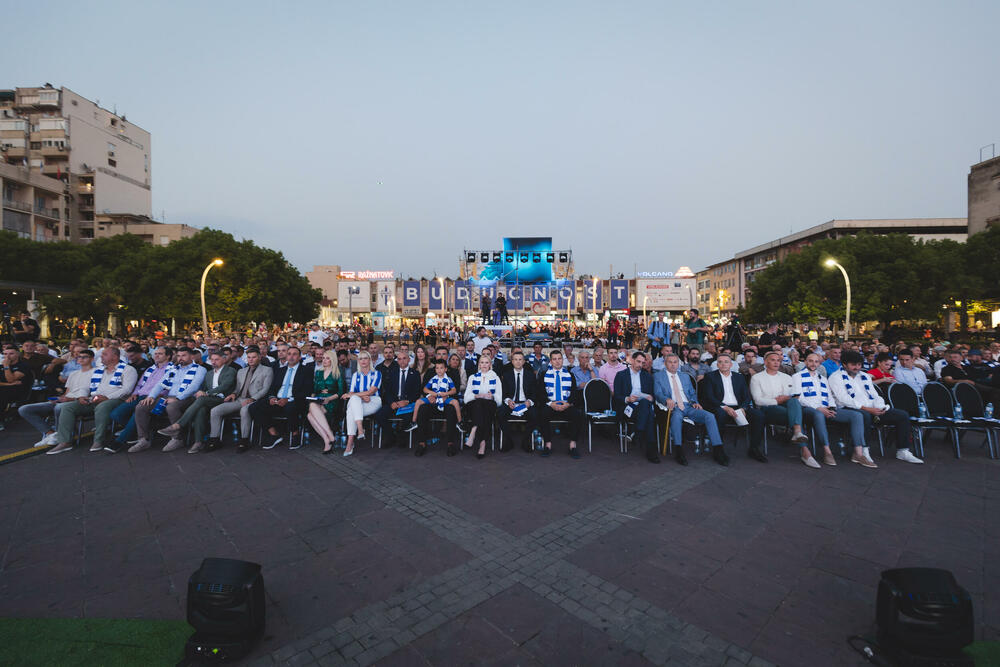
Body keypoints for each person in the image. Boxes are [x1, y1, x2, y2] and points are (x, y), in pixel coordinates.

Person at [829, 350, 923, 464]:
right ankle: (864, 450)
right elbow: (843, 399)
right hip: (850, 409)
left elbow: (875, 395)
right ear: (844, 365)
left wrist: (880, 407)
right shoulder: (836, 377)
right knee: (865, 415)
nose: (857, 368)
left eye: (859, 364)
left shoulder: (864, 376)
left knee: (902, 415)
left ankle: (903, 451)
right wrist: (868, 409)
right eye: (853, 365)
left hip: (873, 409)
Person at [47, 347, 138, 455]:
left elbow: (127, 390)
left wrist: (107, 397)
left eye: (104, 354)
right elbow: (87, 387)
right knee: (67, 407)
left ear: (114, 357)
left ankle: (98, 440)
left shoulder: (128, 369)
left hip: (117, 400)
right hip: (94, 398)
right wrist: (81, 397)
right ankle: (65, 442)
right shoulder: (99, 370)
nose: (101, 356)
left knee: (103, 406)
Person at [793, 353, 874, 468]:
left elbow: (830, 396)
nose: (813, 364)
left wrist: (831, 407)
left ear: (819, 363)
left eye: (816, 361)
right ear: (805, 362)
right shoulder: (797, 377)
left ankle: (858, 454)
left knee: (857, 416)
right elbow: (798, 397)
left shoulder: (823, 379)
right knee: (819, 415)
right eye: (810, 361)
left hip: (827, 408)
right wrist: (818, 408)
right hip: (809, 409)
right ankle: (827, 451)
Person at [653, 353, 726, 466]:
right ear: (665, 363)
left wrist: (695, 402)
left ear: (679, 363)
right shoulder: (658, 376)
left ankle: (718, 449)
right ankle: (679, 450)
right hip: (674, 406)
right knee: (676, 417)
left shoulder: (684, 376)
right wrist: (666, 399)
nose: (673, 365)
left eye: (675, 362)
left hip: (688, 406)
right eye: (670, 362)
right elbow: (657, 393)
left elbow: (692, 393)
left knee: (709, 416)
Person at [156, 351, 237, 453]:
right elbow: (203, 388)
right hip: (209, 400)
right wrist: (201, 392)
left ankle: (178, 425)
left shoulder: (230, 371)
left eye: (217, 359)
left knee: (201, 399)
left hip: (224, 398)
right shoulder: (209, 374)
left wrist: (206, 393)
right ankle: (198, 442)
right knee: (200, 410)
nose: (214, 362)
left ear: (224, 360)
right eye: (212, 360)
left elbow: (225, 386)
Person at [699, 354, 767, 463]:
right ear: (717, 365)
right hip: (720, 406)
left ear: (731, 364)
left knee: (758, 415)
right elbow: (709, 396)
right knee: (719, 415)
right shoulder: (710, 376)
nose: (723, 364)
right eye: (720, 362)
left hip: (738, 407)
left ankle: (754, 448)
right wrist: (725, 407)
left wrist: (743, 408)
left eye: (726, 362)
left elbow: (746, 395)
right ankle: (718, 450)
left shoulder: (739, 377)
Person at [20, 349, 95, 447]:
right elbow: (68, 392)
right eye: (79, 357)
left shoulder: (96, 372)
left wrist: (69, 400)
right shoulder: (73, 374)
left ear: (92, 359)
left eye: (84, 357)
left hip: (79, 402)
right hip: (66, 400)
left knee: (59, 407)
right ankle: (51, 434)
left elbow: (91, 394)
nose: (81, 359)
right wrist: (59, 398)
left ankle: (61, 436)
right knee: (24, 409)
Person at [208, 346, 274, 453]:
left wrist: (252, 398)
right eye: (249, 357)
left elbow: (265, 389)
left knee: (244, 410)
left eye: (253, 357)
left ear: (259, 358)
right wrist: (233, 394)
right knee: (215, 410)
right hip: (239, 399)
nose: (251, 359)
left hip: (256, 400)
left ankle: (244, 440)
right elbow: (238, 388)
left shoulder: (267, 370)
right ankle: (214, 439)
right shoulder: (241, 371)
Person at [247, 345, 313, 451]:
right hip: (277, 399)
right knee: (254, 408)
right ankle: (274, 435)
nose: (291, 357)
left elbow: (307, 390)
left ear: (300, 357)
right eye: (289, 354)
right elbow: (272, 387)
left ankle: (295, 434)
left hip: (294, 400)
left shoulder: (306, 371)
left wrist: (288, 399)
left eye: (294, 354)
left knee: (291, 407)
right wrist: (272, 397)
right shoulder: (279, 370)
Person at [749, 351, 810, 446]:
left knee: (793, 401)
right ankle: (798, 434)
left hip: (787, 405)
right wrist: (776, 401)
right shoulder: (757, 378)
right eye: (773, 360)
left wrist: (787, 397)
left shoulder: (787, 377)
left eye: (778, 360)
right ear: (765, 362)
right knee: (796, 413)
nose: (776, 363)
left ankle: (797, 432)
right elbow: (757, 400)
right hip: (767, 407)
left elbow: (794, 395)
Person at [613, 351, 659, 463]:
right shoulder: (621, 375)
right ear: (632, 360)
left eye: (643, 363)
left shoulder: (647, 376)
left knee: (645, 404)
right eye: (638, 361)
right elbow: (617, 396)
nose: (640, 365)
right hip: (627, 407)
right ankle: (651, 451)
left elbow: (652, 396)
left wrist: (650, 398)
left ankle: (637, 432)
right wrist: (627, 399)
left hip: (643, 407)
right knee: (649, 416)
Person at [535, 350, 583, 459]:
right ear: (550, 361)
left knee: (578, 415)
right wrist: (551, 403)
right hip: (550, 405)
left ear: (562, 360)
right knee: (542, 414)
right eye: (554, 359)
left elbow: (574, 393)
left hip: (565, 405)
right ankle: (547, 444)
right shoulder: (544, 375)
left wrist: (568, 404)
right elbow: (540, 393)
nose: (557, 361)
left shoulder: (570, 374)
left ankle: (572, 445)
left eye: (559, 359)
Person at [413, 358, 459, 457]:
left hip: (445, 401)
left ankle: (450, 443)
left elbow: (455, 390)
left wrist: (446, 395)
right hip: (432, 401)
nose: (439, 370)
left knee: (451, 409)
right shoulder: (432, 376)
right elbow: (424, 389)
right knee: (422, 409)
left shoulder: (451, 376)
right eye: (437, 368)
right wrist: (431, 395)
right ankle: (422, 443)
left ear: (445, 369)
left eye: (441, 368)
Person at [376, 349, 421, 448]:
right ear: (397, 361)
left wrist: (407, 401)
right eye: (399, 359)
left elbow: (417, 392)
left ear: (409, 360)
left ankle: (401, 436)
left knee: (408, 416)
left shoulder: (415, 374)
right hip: (394, 403)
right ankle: (390, 436)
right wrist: (392, 402)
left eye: (404, 358)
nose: (402, 361)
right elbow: (387, 391)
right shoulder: (392, 373)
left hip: (408, 404)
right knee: (380, 415)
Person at [340, 350, 382, 457]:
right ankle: (359, 430)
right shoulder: (356, 375)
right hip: (360, 401)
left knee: (352, 407)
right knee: (353, 404)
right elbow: (353, 392)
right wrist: (361, 396)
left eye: (365, 358)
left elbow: (371, 392)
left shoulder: (377, 373)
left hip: (373, 401)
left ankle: (350, 443)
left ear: (369, 360)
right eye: (360, 358)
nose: (363, 361)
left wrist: (356, 395)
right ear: (358, 361)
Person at [306, 350, 346, 455]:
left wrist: (328, 399)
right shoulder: (318, 372)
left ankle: (329, 438)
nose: (324, 360)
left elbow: (341, 392)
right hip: (318, 400)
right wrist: (312, 397)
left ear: (332, 360)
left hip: (332, 400)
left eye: (327, 358)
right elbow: (315, 390)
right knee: (310, 412)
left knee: (311, 414)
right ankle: (328, 439)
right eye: (323, 358)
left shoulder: (338, 372)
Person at [498, 350, 538, 453]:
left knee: (535, 414)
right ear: (512, 361)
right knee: (500, 413)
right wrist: (508, 401)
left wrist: (529, 402)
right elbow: (504, 393)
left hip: (525, 403)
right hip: (512, 402)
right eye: (515, 360)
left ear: (524, 361)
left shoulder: (530, 375)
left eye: (520, 359)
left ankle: (526, 440)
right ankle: (509, 440)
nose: (518, 362)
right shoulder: (507, 375)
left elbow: (534, 393)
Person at [464, 355, 502, 459]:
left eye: (486, 362)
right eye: (482, 362)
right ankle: (483, 444)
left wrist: (492, 396)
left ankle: (474, 429)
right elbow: (466, 397)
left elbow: (499, 398)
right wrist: (477, 395)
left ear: (490, 364)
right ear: (479, 364)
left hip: (490, 404)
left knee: (484, 406)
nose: (484, 365)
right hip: (474, 404)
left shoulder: (496, 378)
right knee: (479, 404)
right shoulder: (473, 377)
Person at [0, 344, 34, 419]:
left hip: (18, 391)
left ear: (18, 354)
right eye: (5, 354)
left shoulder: (23, 366)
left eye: (11, 354)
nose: (8, 356)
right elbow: (9, 382)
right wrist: (8, 384)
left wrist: (6, 366)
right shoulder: (1, 366)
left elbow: (11, 379)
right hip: (6, 388)